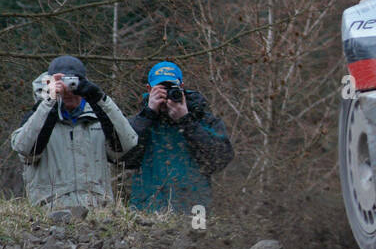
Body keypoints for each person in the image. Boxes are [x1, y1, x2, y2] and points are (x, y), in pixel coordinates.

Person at [10, 55, 139, 208]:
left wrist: (99, 98)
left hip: (98, 212)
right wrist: (49, 100)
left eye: (73, 84)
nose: (68, 91)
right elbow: (25, 148)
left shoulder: (100, 118)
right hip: (50, 213)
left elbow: (127, 144)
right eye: (62, 83)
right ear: (49, 84)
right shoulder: (37, 119)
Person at [123, 61, 233, 213]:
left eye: (171, 88)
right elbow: (123, 158)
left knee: (198, 236)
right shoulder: (138, 123)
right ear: (149, 89)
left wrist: (186, 121)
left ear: (182, 87)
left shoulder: (203, 120)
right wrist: (148, 114)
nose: (167, 94)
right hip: (148, 209)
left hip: (195, 210)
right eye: (161, 89)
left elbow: (219, 159)